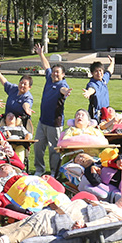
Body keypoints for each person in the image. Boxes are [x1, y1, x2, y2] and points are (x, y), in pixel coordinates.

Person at [0, 194, 122, 243]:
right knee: (25, 223)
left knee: (27, 229)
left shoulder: (119, 215)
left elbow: (105, 223)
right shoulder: (108, 204)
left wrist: (85, 226)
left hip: (61, 221)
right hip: (56, 214)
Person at [32, 44, 71, 177]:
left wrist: (66, 92)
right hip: (42, 121)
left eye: (58, 72)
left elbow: (64, 90)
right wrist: (40, 54)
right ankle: (39, 169)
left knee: (54, 149)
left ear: (63, 75)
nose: (54, 74)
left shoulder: (62, 84)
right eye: (54, 72)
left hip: (55, 123)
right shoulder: (49, 78)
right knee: (38, 146)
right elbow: (46, 66)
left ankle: (55, 172)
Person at [0, 62, 34, 128]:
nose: (22, 85)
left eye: (25, 84)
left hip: (19, 124)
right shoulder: (14, 89)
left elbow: (26, 104)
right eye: (21, 83)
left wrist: (27, 109)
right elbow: (4, 82)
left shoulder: (28, 97)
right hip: (7, 122)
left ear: (29, 87)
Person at [82, 56, 115, 122]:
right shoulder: (92, 83)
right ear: (92, 73)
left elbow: (109, 71)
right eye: (96, 71)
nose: (99, 73)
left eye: (100, 71)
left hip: (106, 112)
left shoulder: (103, 80)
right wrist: (88, 92)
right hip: (96, 114)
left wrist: (112, 62)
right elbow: (92, 89)